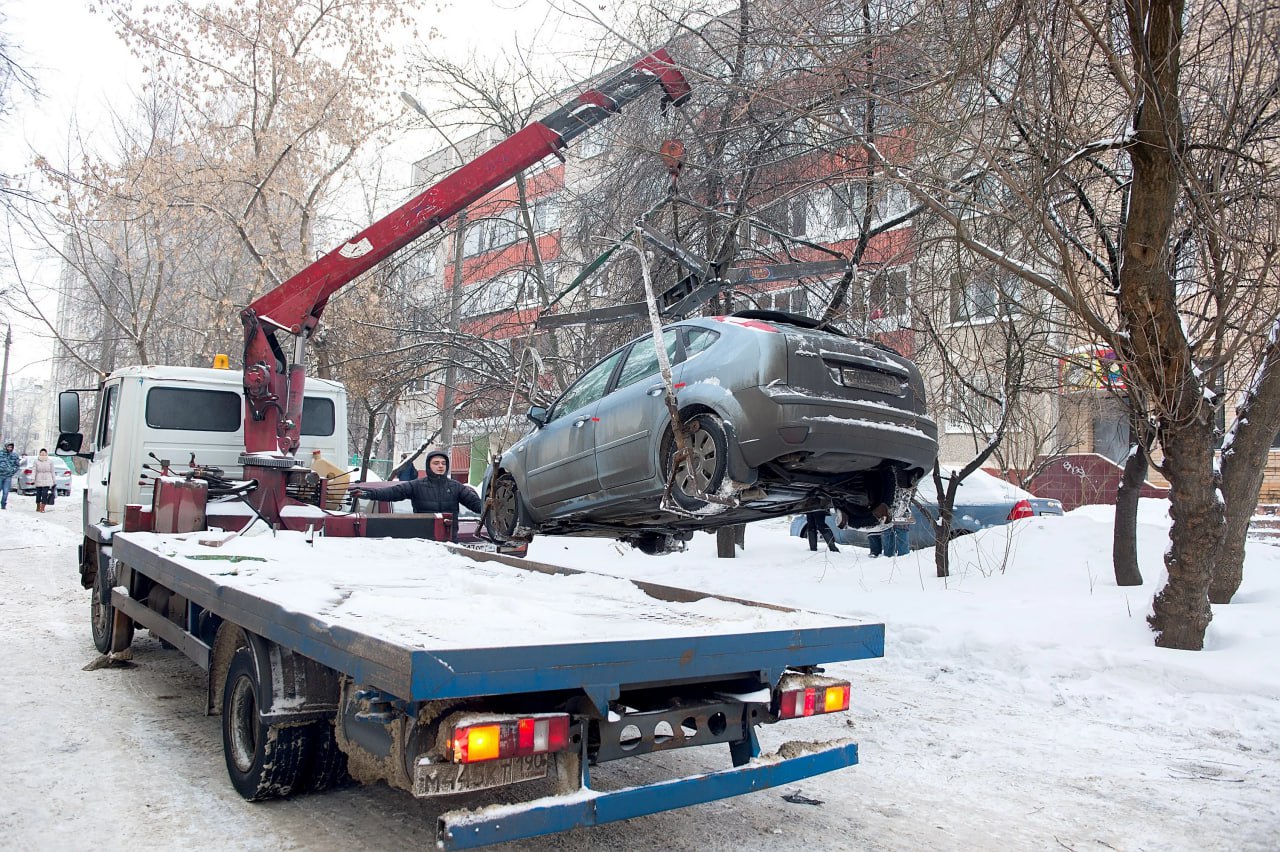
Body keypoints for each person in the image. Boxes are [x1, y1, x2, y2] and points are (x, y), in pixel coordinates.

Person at [351, 449, 482, 541]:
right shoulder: (416, 485)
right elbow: (392, 492)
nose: (440, 466)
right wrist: (367, 494)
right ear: (428, 466)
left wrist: (495, 504)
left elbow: (478, 507)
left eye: (443, 463)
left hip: (449, 541)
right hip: (423, 541)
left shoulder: (456, 487)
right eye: (436, 463)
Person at [32, 448, 57, 513]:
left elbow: (52, 471)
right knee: (38, 494)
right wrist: (33, 479)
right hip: (39, 478)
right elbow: (34, 470)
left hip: (47, 478)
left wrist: (54, 480)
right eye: (41, 452)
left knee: (45, 494)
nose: (43, 454)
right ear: (40, 453)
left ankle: (42, 507)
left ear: (46, 453)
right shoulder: (36, 461)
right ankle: (38, 505)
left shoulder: (50, 461)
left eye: (44, 452)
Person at [0, 441, 19, 510]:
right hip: (0, 475)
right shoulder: (1, 453)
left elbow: (17, 465)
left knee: (6, 492)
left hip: (8, 476)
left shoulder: (14, 455)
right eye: (8, 447)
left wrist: (12, 471)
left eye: (11, 447)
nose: (9, 448)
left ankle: (3, 504)